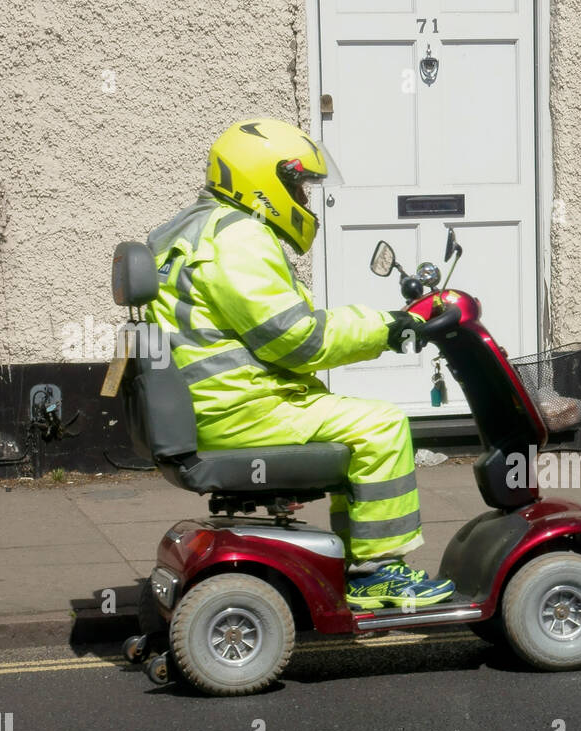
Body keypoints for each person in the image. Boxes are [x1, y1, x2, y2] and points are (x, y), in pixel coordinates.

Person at [144, 118, 454, 608]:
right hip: (245, 411)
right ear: (263, 181)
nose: (305, 200)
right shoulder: (238, 237)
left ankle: (357, 559)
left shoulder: (183, 231)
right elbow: (296, 339)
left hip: (215, 406)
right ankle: (377, 572)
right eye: (296, 184)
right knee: (382, 426)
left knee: (347, 420)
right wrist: (389, 328)